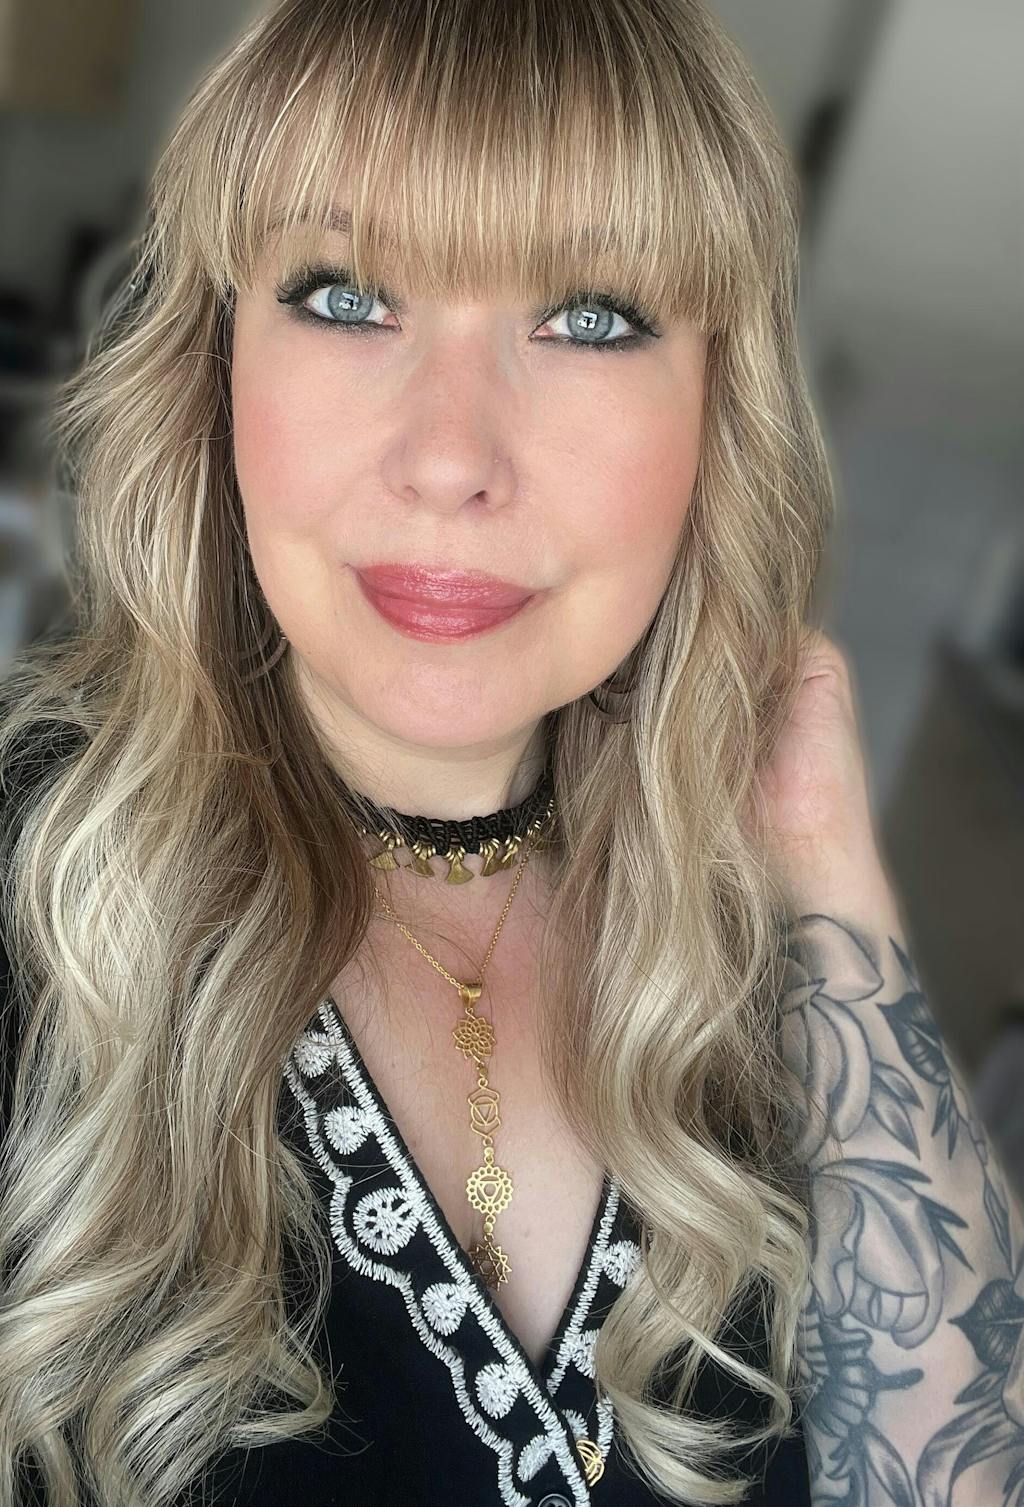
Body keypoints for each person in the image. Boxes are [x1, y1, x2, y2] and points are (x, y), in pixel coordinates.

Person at [3, 0, 958, 1503]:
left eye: (589, 318)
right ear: (215, 370)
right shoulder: (35, 888)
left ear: (719, 414)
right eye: (344, 296)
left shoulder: (762, 949)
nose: (450, 458)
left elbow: (957, 1468)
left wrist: (838, 879)